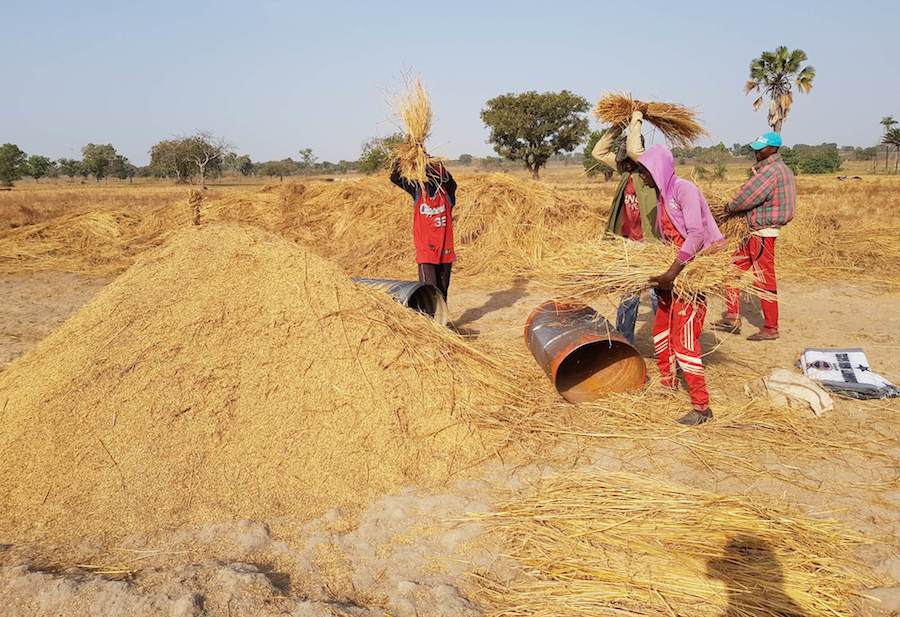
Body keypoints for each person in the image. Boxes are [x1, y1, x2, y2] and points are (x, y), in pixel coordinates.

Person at [636, 144, 725, 425]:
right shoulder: (662, 197)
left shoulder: (683, 190)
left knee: (683, 341)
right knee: (661, 329)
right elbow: (669, 238)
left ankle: (702, 407)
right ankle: (668, 382)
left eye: (645, 172)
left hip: (690, 274)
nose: (642, 178)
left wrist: (672, 272)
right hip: (672, 273)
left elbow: (696, 235)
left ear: (658, 170)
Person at [714, 131, 796, 341]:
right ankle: (732, 317)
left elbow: (745, 198)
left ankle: (771, 328)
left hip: (762, 233)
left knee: (764, 279)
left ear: (773, 149)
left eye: (761, 149)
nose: (756, 152)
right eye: (756, 148)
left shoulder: (770, 172)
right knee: (731, 270)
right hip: (755, 233)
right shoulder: (780, 169)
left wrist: (728, 208)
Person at [592, 110, 659, 344]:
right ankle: (625, 341)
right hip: (630, 243)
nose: (624, 160)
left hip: (653, 243)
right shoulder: (624, 172)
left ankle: (666, 342)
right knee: (629, 295)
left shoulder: (651, 171)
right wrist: (618, 126)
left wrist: (636, 118)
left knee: (657, 295)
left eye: (628, 156)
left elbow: (633, 149)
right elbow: (598, 152)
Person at [389, 159, 457, 301]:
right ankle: (429, 315)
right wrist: (404, 158)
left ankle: (441, 315)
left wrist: (432, 162)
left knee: (443, 289)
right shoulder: (418, 190)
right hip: (426, 250)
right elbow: (395, 177)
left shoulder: (447, 192)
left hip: (445, 249)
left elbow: (450, 181)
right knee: (429, 289)